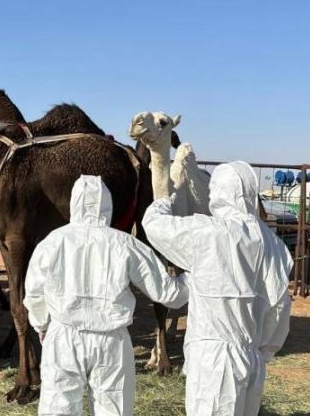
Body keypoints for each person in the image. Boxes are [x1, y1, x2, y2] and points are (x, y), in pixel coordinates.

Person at [24, 175, 189, 416]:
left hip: (63, 336)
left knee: (57, 408)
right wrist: (196, 278)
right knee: (114, 409)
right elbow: (167, 292)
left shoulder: (52, 242)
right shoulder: (125, 245)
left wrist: (41, 325)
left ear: (74, 203)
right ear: (108, 205)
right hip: (111, 341)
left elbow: (34, 293)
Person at [141, 161, 293, 416]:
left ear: (218, 191)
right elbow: (279, 307)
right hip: (252, 359)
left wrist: (164, 200)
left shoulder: (206, 232)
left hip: (213, 361)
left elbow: (154, 226)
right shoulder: (273, 244)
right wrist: (263, 352)